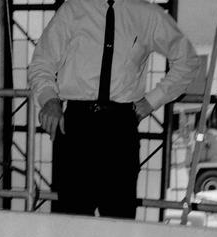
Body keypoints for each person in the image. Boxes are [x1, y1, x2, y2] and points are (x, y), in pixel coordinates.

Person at [28, 0, 200, 219]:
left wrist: (151, 101)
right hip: (76, 129)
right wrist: (49, 100)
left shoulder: (146, 14)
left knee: (119, 220)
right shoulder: (73, 9)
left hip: (120, 130)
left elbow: (188, 60)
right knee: (70, 223)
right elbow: (41, 63)